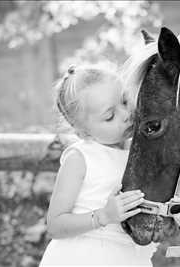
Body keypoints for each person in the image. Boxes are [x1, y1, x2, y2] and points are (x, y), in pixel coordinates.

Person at [39, 65, 158, 266]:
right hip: (84, 258)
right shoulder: (80, 158)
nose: (126, 114)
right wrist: (103, 216)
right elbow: (55, 225)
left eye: (124, 101)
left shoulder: (141, 149)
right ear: (83, 132)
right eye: (109, 116)